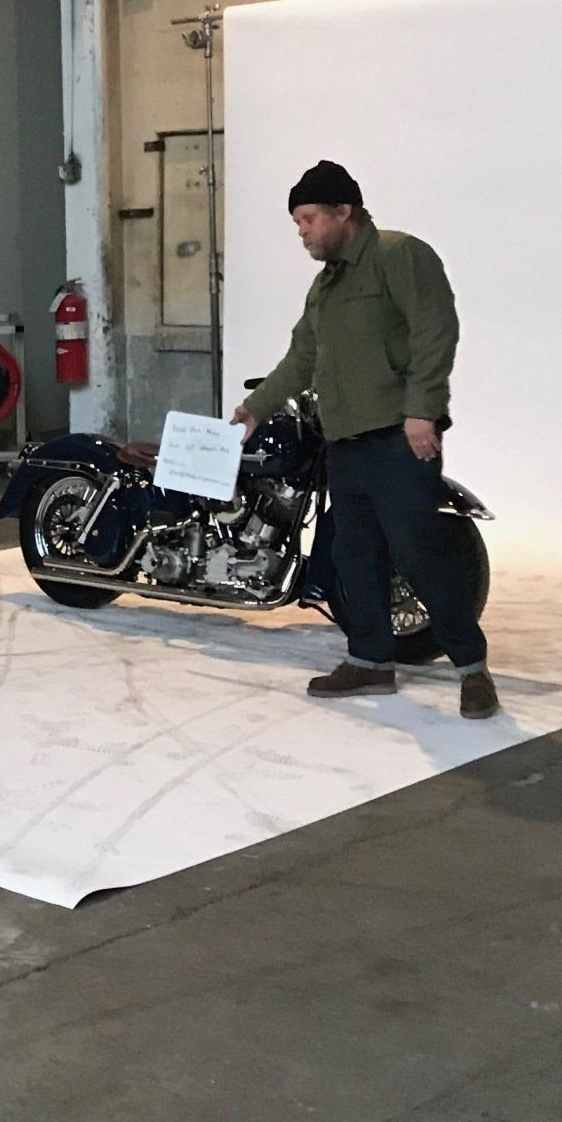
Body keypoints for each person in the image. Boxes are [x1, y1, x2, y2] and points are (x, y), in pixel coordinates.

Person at [233, 159, 498, 719]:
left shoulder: (399, 256)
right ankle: (371, 661)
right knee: (355, 557)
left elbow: (436, 330)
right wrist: (256, 408)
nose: (301, 231)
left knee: (420, 554)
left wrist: (423, 410)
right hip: (345, 443)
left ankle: (472, 668)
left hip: (398, 441)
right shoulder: (326, 285)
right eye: (297, 222)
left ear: (342, 212)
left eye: (307, 219)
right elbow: (302, 356)